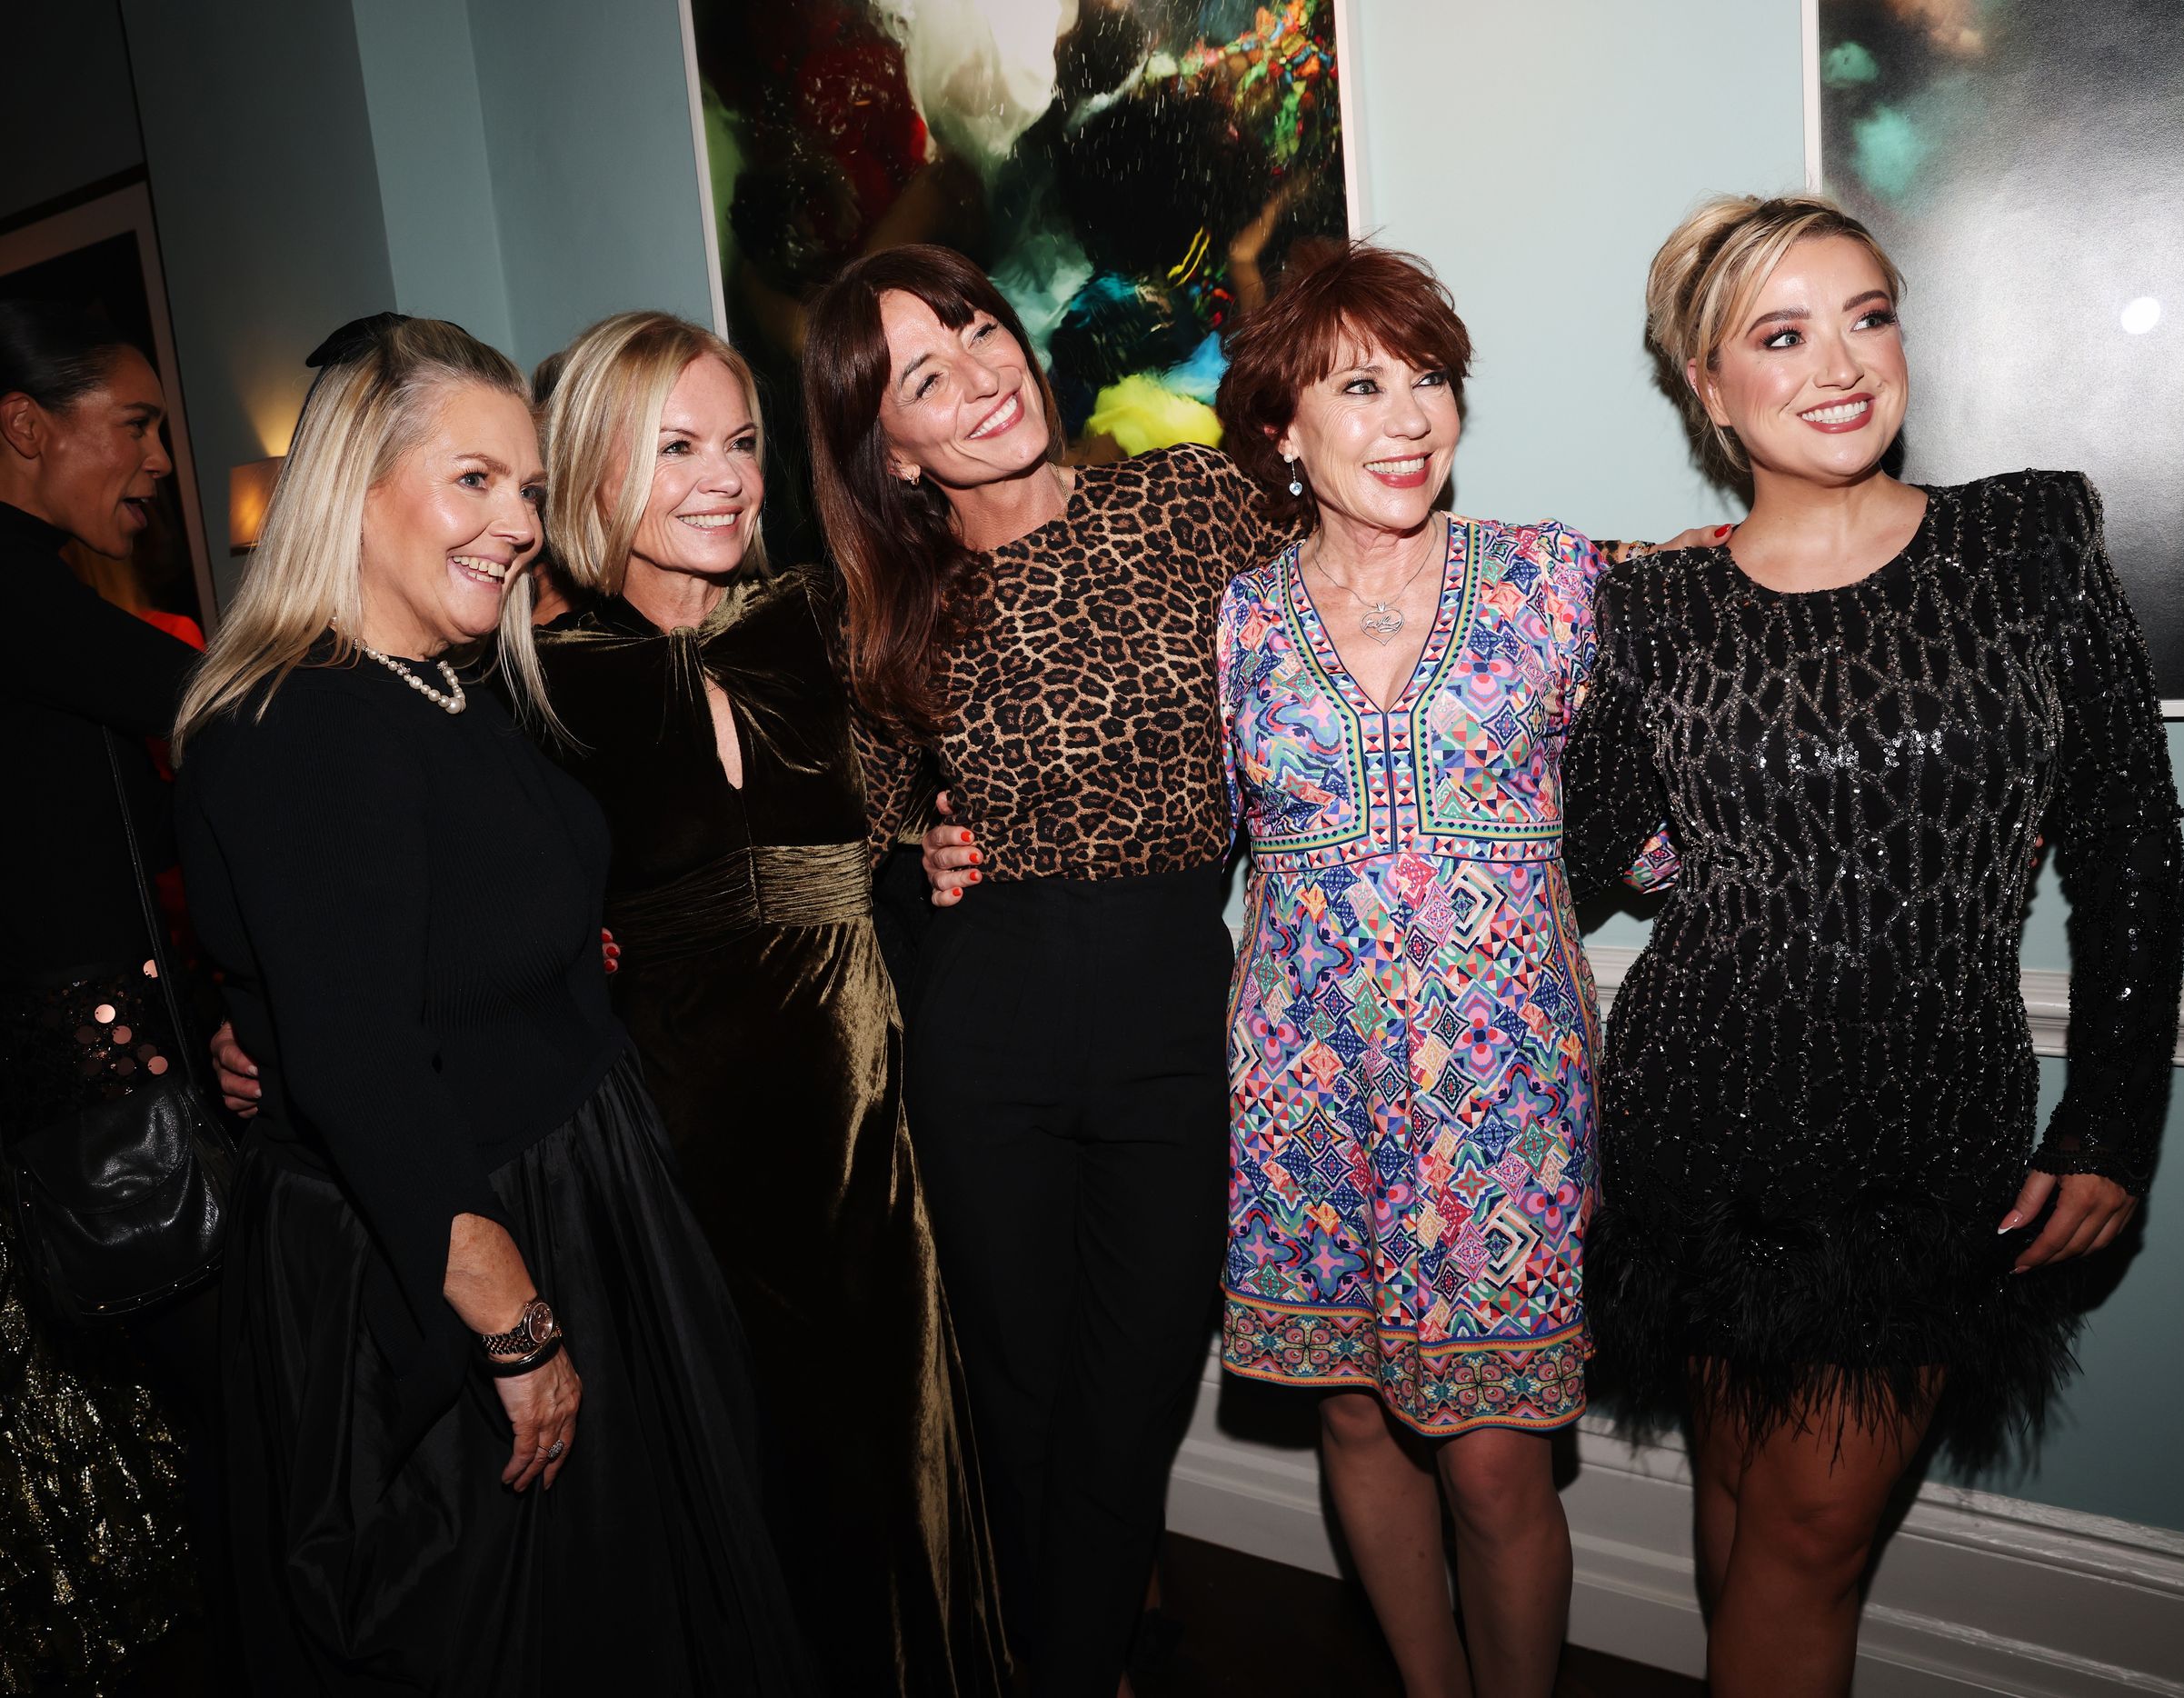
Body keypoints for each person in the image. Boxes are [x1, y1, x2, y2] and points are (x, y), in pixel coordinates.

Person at [1562, 195, 2184, 1697]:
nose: (1841, 364)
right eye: (1781, 334)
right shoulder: (1656, 607)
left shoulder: (2027, 544)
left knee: (1800, 1549)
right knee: (1747, 1520)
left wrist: (2109, 1123)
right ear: (1706, 387)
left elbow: (2128, 842)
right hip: (1696, 1122)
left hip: (1920, 1143)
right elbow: (1565, 857)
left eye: (1868, 315)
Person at [170, 314, 810, 1696]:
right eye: (474, 480)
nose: (515, 523)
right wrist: (516, 1331)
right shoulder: (301, 722)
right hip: (452, 1245)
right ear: (356, 482)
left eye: (525, 489)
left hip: (572, 1187)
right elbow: (360, 1063)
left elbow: (407, 952)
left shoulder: (454, 685)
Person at [803, 244, 1292, 1698]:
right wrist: (917, 867)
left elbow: (1360, 596)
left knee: (1133, 1393)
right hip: (988, 1026)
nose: (979, 371)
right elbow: (845, 843)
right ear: (887, 449)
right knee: (1016, 1400)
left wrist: (1635, 572)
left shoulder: (1192, 501)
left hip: (1165, 1003)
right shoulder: (882, 604)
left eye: (972, 327)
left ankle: (1058, 1667)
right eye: (924, 379)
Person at [512, 310, 1008, 1696]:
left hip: (878, 1105)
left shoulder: (813, 615)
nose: (723, 476)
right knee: (755, 1460)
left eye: (737, 443)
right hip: (679, 1144)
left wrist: (923, 856)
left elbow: (914, 793)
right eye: (675, 448)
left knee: (909, 1430)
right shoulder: (537, 685)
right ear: (590, 469)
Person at [1206, 244, 1674, 1698]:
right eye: (1362, 385)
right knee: (1352, 1424)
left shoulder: (1556, 581)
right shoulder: (1231, 625)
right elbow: (1150, 839)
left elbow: (1673, 808)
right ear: (1285, 425)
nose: (1410, 418)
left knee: (1493, 1470)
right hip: (1303, 1091)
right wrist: (952, 844)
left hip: (1501, 1093)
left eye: (1430, 382)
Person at [0, 296, 218, 1691]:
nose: (156, 461)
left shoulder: (37, 592)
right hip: (88, 1104)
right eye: (132, 425)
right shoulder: (15, 591)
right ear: (26, 427)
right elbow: (201, 694)